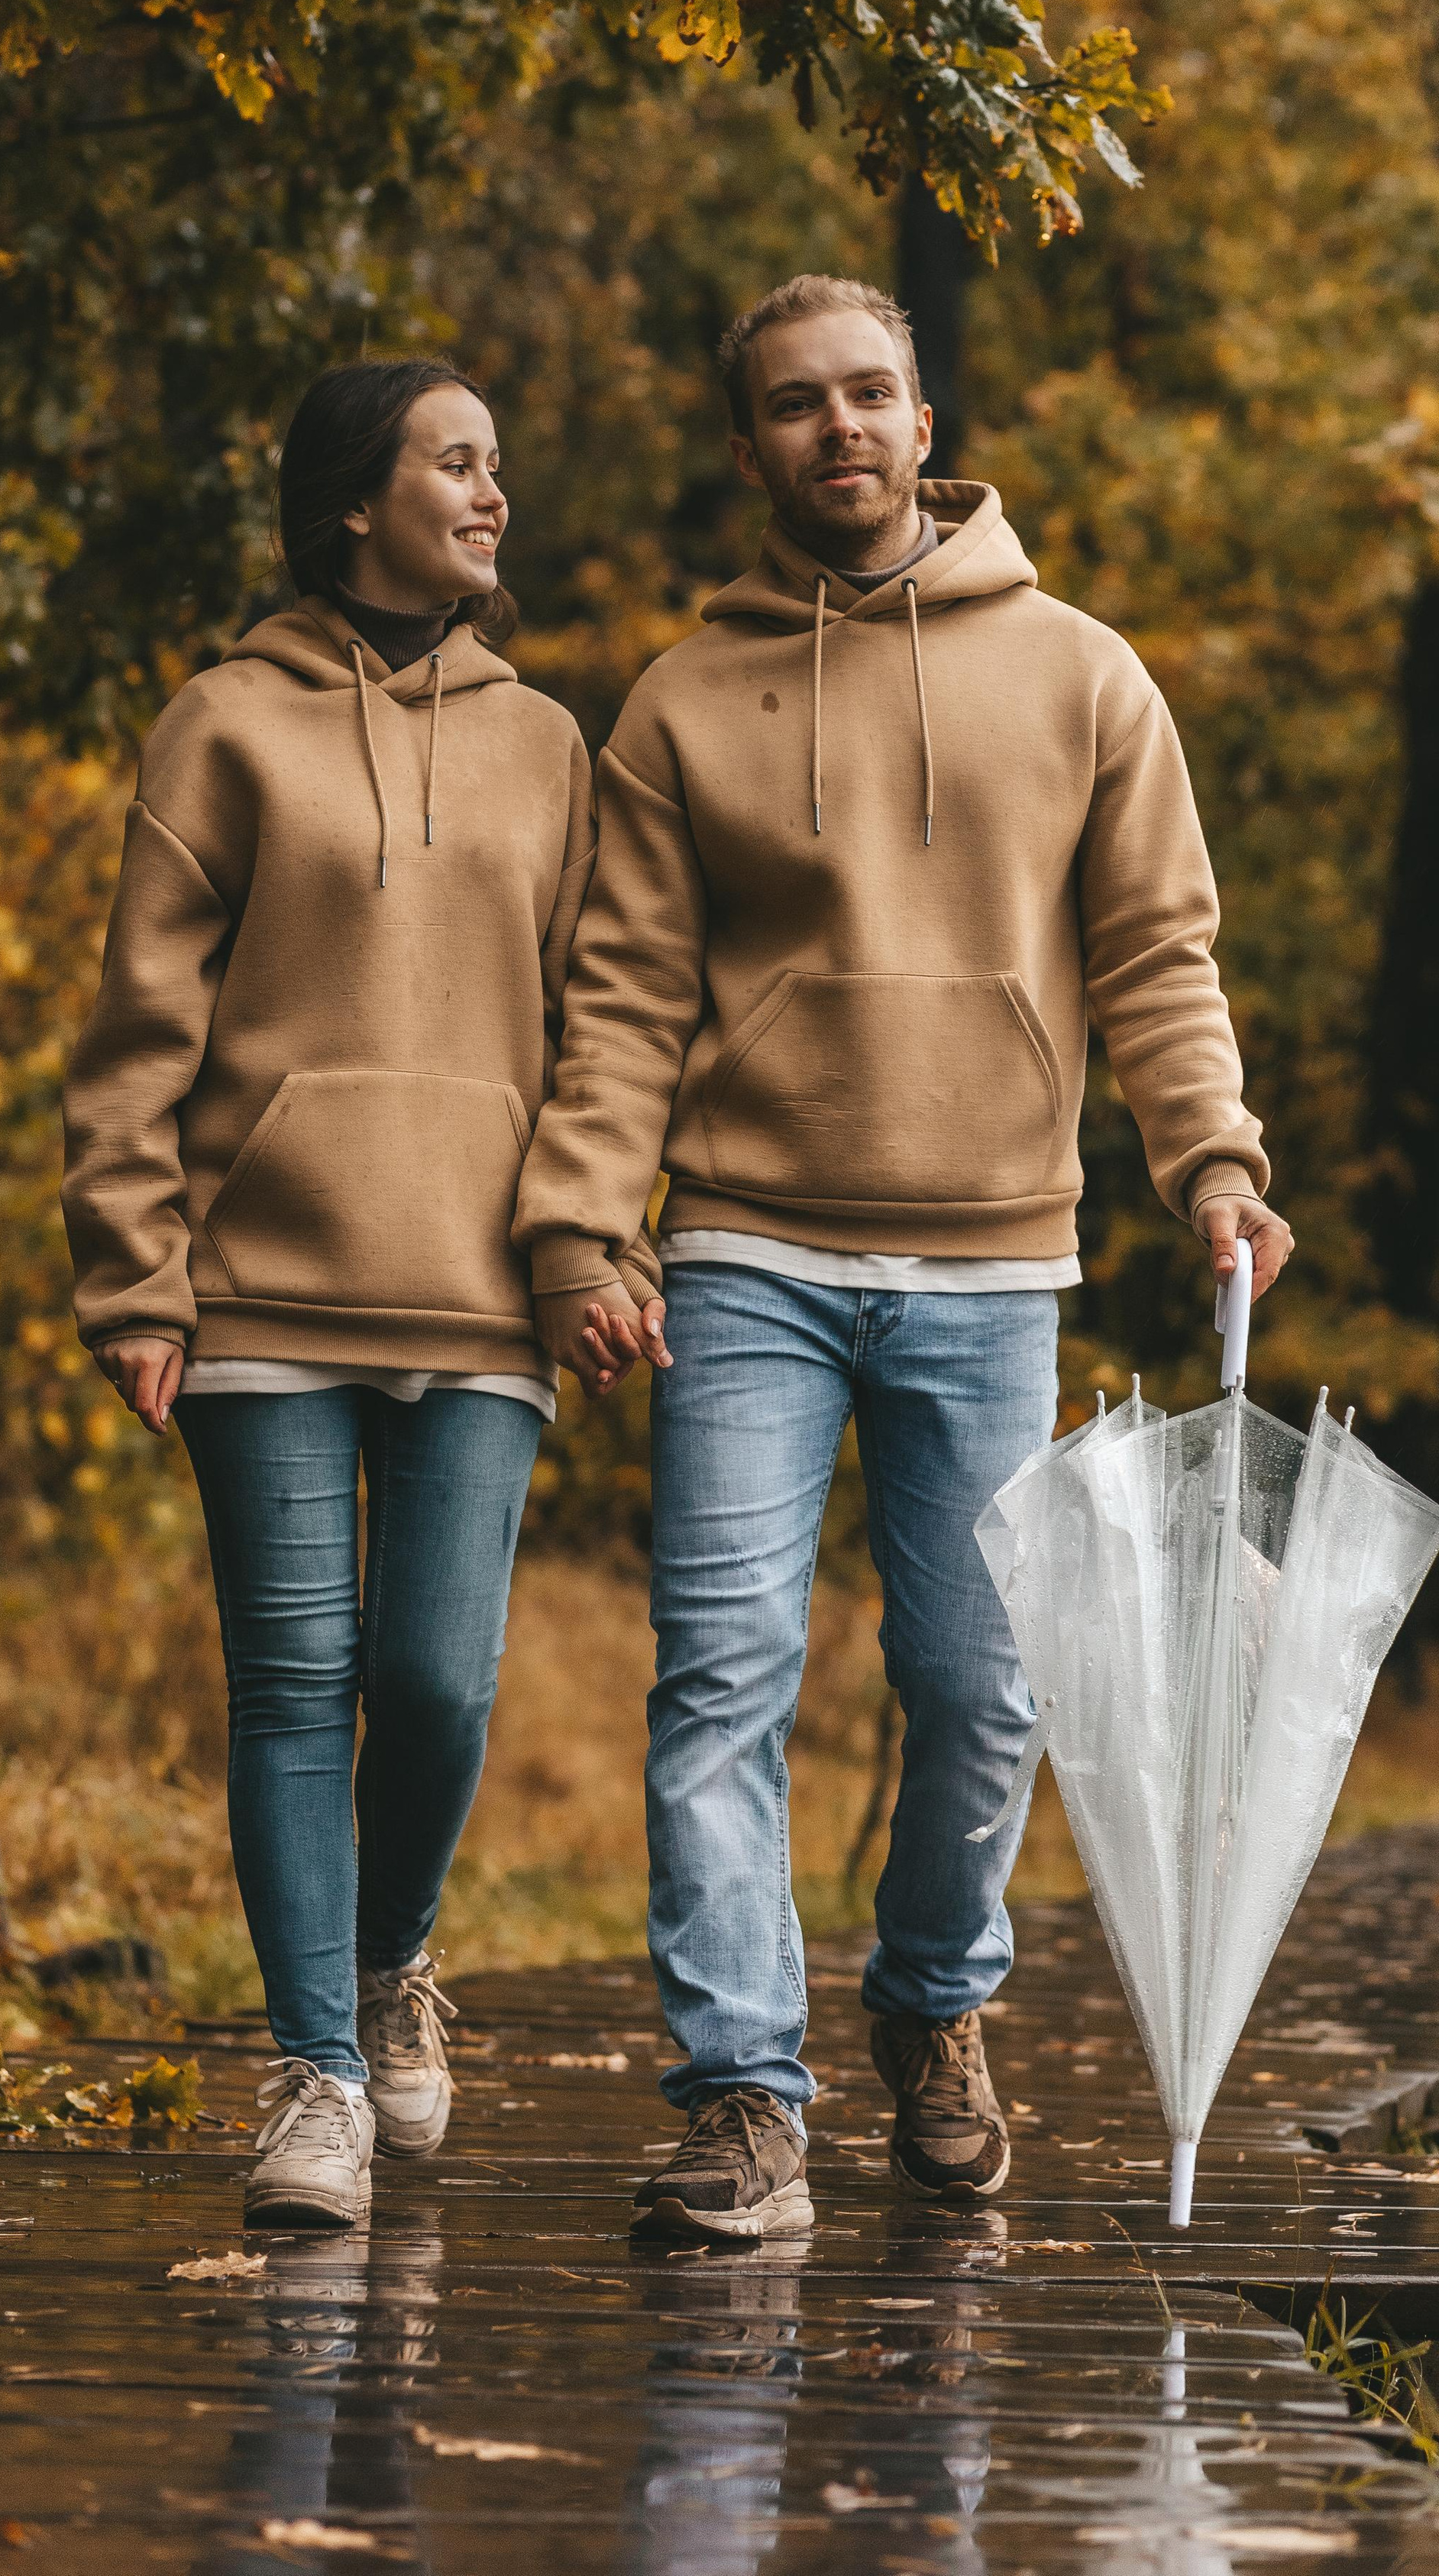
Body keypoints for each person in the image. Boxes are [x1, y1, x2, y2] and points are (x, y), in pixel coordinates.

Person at [513, 274, 1292, 2241]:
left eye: (869, 394)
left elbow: (1152, 958)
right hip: (745, 1249)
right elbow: (620, 1000)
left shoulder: (1083, 677)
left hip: (991, 1266)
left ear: (923, 418)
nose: (837, 429)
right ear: (751, 443)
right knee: (722, 1680)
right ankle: (740, 2095)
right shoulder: (683, 704)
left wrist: (1208, 1158)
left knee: (979, 1694)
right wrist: (581, 1222)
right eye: (794, 405)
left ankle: (936, 2011)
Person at [61, 358, 657, 2229]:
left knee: (437, 1682)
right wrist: (132, 1272)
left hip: (485, 1293)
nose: (493, 494)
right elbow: (137, 1034)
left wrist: (598, 1238)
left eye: (497, 462)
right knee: (295, 1688)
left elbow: (604, 1031)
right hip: (255, 1293)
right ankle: (316, 2072)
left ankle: (395, 1958)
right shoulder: (222, 725)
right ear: (353, 504)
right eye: (455, 463)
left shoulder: (550, 743)